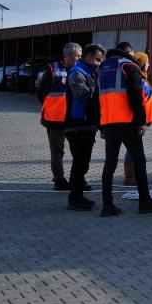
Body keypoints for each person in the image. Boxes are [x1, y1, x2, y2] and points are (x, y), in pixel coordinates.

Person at [98, 41, 152, 217]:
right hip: (128, 123)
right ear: (128, 52)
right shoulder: (129, 66)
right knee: (139, 162)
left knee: (109, 165)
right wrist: (141, 121)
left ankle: (107, 205)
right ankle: (145, 202)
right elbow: (136, 94)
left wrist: (101, 125)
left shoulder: (103, 67)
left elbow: (95, 98)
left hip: (108, 123)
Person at [36, 42, 85, 191]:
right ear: (68, 56)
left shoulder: (80, 70)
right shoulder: (53, 69)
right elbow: (41, 93)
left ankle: (78, 179)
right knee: (57, 151)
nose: (79, 59)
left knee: (79, 150)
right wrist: (54, 107)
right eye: (77, 56)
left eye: (80, 56)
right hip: (55, 119)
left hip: (74, 119)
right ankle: (59, 179)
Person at [64, 44, 105, 211]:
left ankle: (78, 194)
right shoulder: (77, 73)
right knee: (80, 162)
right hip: (77, 125)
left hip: (88, 125)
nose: (99, 63)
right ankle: (75, 197)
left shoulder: (90, 73)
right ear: (87, 57)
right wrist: (98, 87)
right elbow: (81, 93)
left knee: (83, 162)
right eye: (97, 59)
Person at [123, 52, 152, 184]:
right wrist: (141, 120)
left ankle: (131, 177)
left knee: (132, 148)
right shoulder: (138, 79)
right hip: (137, 120)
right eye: (147, 62)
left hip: (141, 119)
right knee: (132, 148)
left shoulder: (142, 78)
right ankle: (130, 177)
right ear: (142, 63)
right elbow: (138, 101)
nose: (149, 64)